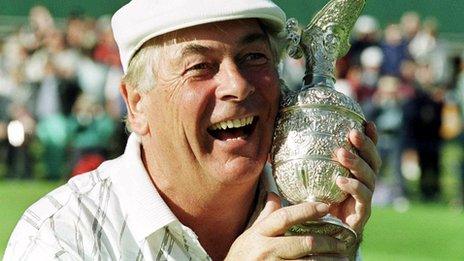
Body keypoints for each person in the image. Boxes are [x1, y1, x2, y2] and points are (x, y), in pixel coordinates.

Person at [5, 0, 381, 260]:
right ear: (137, 104)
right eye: (200, 65)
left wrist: (337, 240)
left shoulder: (304, 214)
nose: (237, 85)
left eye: (254, 58)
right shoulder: (64, 236)